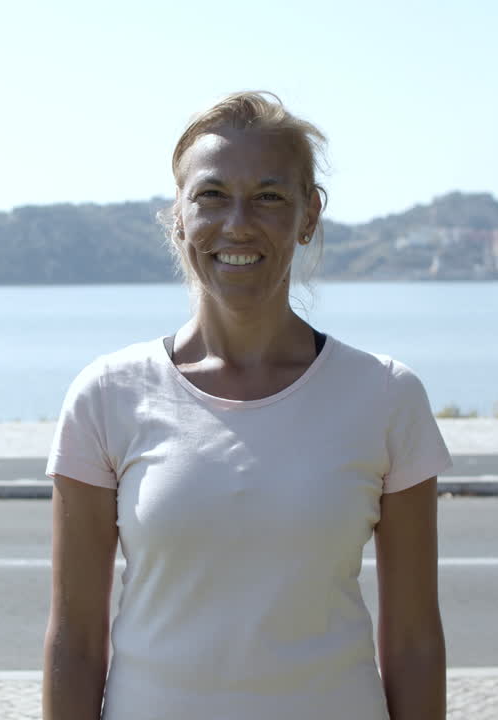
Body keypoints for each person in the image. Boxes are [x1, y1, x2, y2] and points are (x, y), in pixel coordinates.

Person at [43, 91, 453, 720]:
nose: (238, 223)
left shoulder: (386, 396)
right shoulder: (106, 396)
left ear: (308, 215)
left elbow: (414, 645)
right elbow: (75, 646)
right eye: (211, 195)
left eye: (269, 196)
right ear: (178, 214)